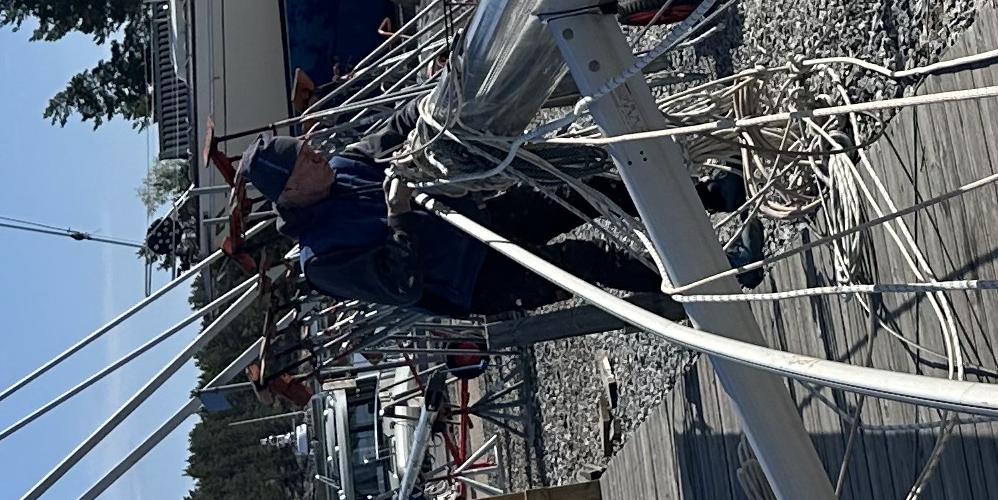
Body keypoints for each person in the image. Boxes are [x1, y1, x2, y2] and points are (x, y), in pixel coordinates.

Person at [244, 132, 678, 322]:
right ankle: (700, 278)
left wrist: (438, 98)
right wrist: (399, 214)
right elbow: (401, 286)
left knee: (580, 189)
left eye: (308, 148)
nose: (317, 152)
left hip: (478, 217)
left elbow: (398, 129)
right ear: (290, 187)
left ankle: (715, 193)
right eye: (305, 157)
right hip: (475, 280)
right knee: (581, 261)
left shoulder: (345, 166)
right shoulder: (321, 259)